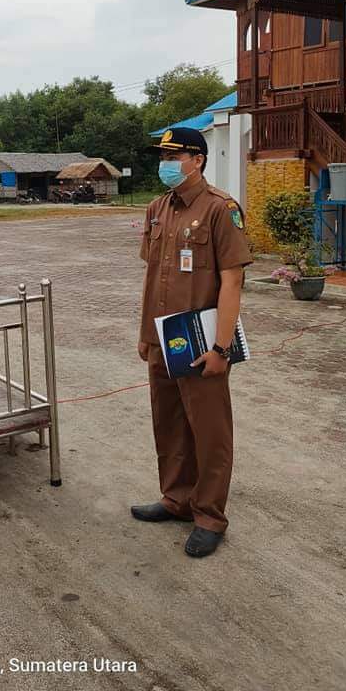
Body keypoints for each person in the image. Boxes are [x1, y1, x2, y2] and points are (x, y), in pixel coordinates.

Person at [133, 126, 253, 558]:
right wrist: (146, 336)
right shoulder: (156, 209)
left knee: (209, 430)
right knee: (168, 423)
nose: (165, 164)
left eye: (174, 156)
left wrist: (221, 348)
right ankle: (176, 498)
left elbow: (232, 280)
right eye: (162, 157)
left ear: (197, 160)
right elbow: (153, 276)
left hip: (201, 341)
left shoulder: (221, 209)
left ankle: (208, 515)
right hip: (164, 339)